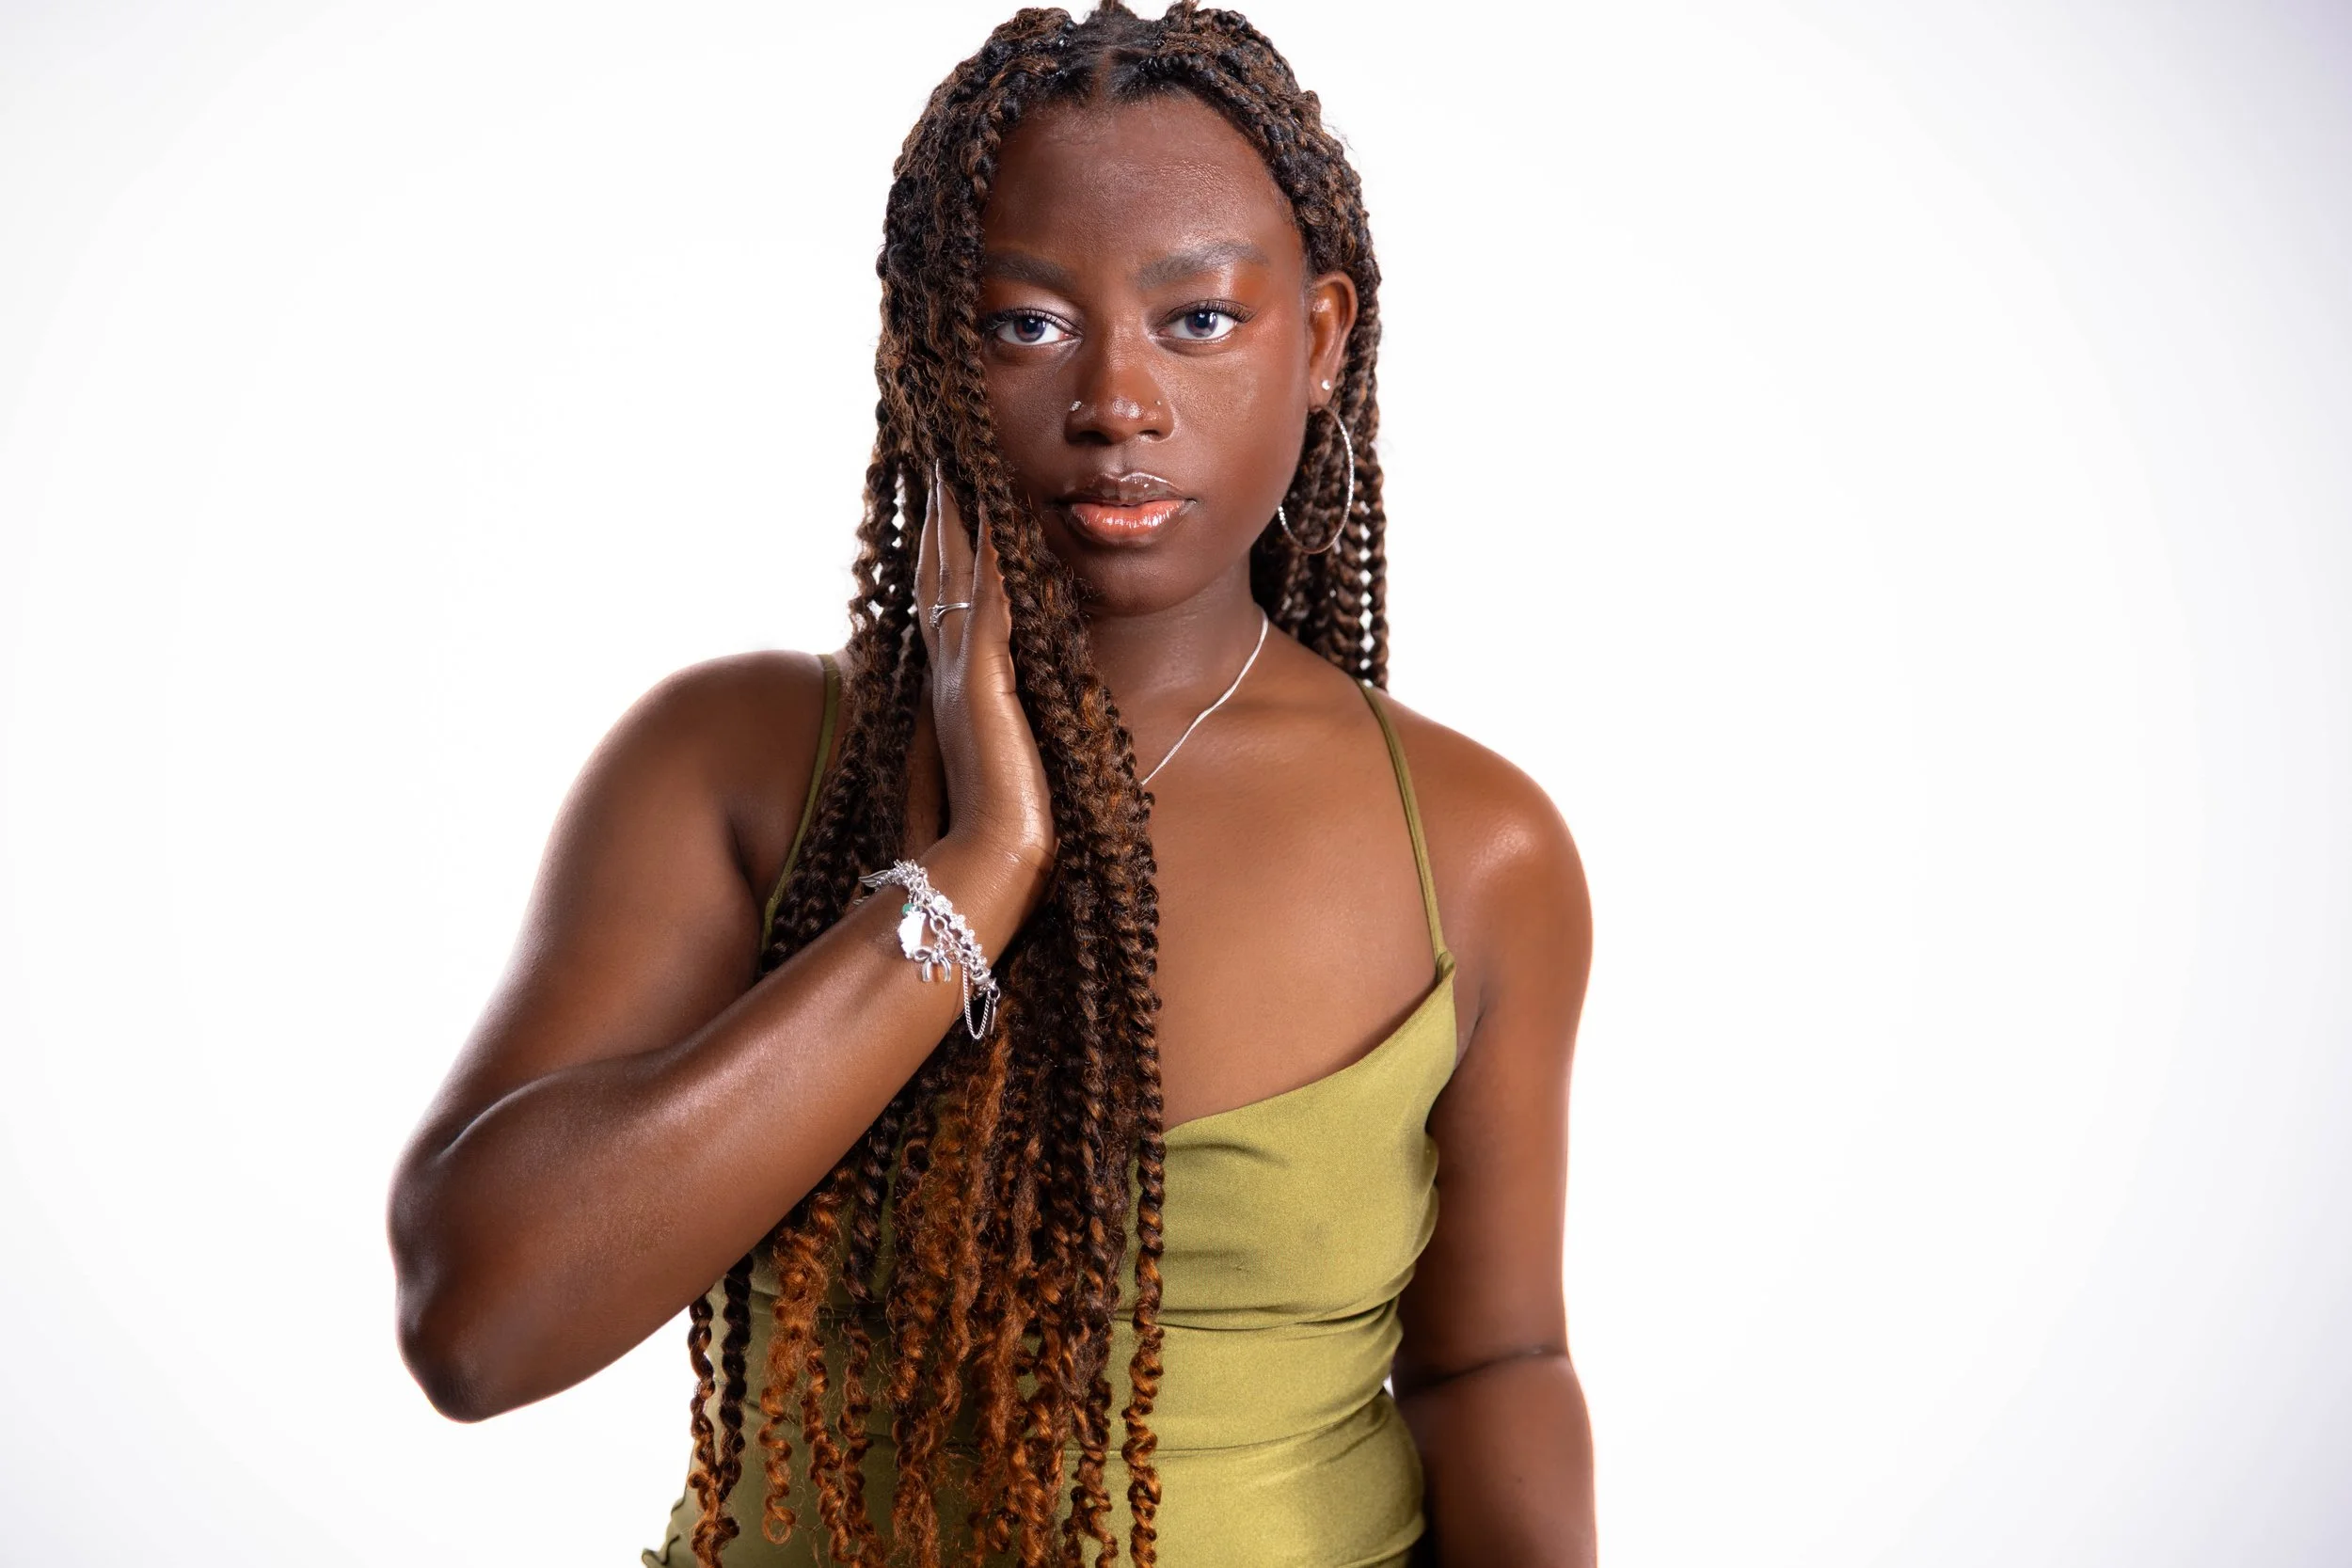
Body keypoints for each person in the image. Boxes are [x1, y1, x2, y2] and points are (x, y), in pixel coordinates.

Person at [387, 4, 1597, 1564]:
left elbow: (1494, 1361)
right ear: (930, 351)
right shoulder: (741, 766)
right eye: (1028, 323)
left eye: (1200, 320)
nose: (1116, 400)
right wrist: (973, 871)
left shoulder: (1478, 847)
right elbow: (478, 1327)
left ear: (1323, 340)